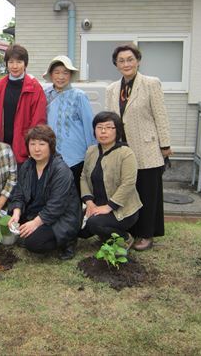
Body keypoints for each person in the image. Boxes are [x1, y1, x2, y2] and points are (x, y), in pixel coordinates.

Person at [106, 44, 172, 251]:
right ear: (116, 65)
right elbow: (111, 119)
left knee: (148, 191)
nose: (126, 64)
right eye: (121, 60)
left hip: (147, 147)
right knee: (128, 190)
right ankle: (130, 231)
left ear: (138, 61)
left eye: (130, 59)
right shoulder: (112, 89)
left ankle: (147, 234)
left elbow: (160, 115)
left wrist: (165, 145)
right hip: (123, 148)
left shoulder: (151, 84)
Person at [8, 125, 80, 260]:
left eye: (42, 144)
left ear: (50, 146)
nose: (36, 149)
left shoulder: (61, 170)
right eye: (32, 144)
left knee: (34, 243)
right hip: (37, 211)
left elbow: (57, 205)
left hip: (60, 217)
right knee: (14, 225)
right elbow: (19, 192)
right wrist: (16, 213)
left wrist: (35, 223)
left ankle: (68, 241)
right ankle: (35, 229)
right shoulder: (27, 165)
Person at [79, 112, 142, 247]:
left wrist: (108, 207)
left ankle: (124, 238)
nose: (103, 131)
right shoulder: (91, 151)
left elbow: (128, 183)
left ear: (117, 131)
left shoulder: (125, 153)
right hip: (96, 205)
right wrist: (89, 203)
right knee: (76, 226)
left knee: (93, 224)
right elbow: (83, 176)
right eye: (99, 127)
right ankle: (105, 235)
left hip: (121, 210)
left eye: (108, 127)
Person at [43, 55, 96, 197]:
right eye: (57, 72)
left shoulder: (79, 96)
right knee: (52, 195)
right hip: (51, 155)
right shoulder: (45, 95)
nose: (61, 76)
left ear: (71, 75)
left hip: (76, 156)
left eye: (65, 72)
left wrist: (92, 153)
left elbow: (89, 126)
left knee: (74, 195)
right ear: (51, 74)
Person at [0, 44, 47, 166]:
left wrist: (32, 146)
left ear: (25, 64)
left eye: (19, 62)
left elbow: (38, 121)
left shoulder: (34, 88)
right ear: (6, 64)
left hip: (23, 150)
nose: (15, 66)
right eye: (11, 62)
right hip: (1, 147)